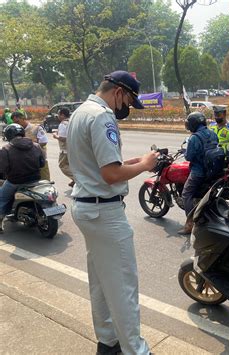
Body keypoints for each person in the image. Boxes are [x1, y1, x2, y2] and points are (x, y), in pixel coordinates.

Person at [68, 70, 158, 355]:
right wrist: (145, 165)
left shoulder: (80, 112)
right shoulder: (102, 116)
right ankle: (136, 351)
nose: (127, 109)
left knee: (100, 281)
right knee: (123, 287)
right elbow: (110, 174)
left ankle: (107, 342)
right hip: (104, 213)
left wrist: (132, 162)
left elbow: (99, 165)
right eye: (129, 102)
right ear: (118, 92)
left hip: (86, 207)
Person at [179, 111, 219, 235]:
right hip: (213, 171)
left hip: (199, 172)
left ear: (193, 124)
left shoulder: (194, 138)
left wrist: (185, 152)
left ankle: (190, 224)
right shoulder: (212, 133)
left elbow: (189, 157)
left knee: (186, 194)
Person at [0, 124, 45, 233]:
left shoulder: (6, 149)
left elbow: (2, 168)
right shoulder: (36, 145)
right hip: (35, 180)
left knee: (2, 198)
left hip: (15, 181)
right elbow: (42, 163)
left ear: (8, 135)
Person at [11, 111, 50, 181]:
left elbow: (44, 142)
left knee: (45, 183)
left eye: (17, 122)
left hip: (40, 161)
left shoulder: (36, 128)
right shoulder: (16, 131)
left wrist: (30, 143)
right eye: (14, 123)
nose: (16, 124)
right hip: (25, 162)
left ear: (23, 118)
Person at [53, 108, 75, 187]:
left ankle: (77, 179)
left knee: (62, 166)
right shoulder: (71, 122)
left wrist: (56, 135)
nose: (57, 116)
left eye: (58, 114)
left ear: (62, 115)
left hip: (65, 150)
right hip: (74, 149)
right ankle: (74, 180)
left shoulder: (63, 124)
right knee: (72, 165)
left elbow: (63, 138)